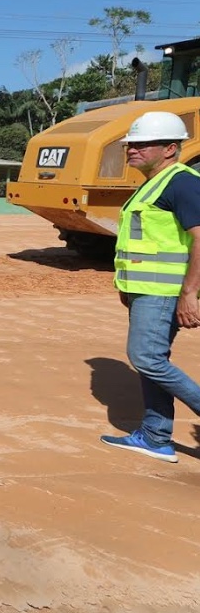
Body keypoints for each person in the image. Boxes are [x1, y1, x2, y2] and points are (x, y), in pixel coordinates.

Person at [100, 110, 200, 463]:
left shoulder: (181, 182)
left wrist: (189, 293)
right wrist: (128, 287)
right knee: (152, 360)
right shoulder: (155, 182)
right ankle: (156, 437)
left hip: (164, 293)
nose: (132, 150)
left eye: (143, 145)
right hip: (146, 291)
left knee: (146, 358)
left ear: (170, 148)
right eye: (131, 145)